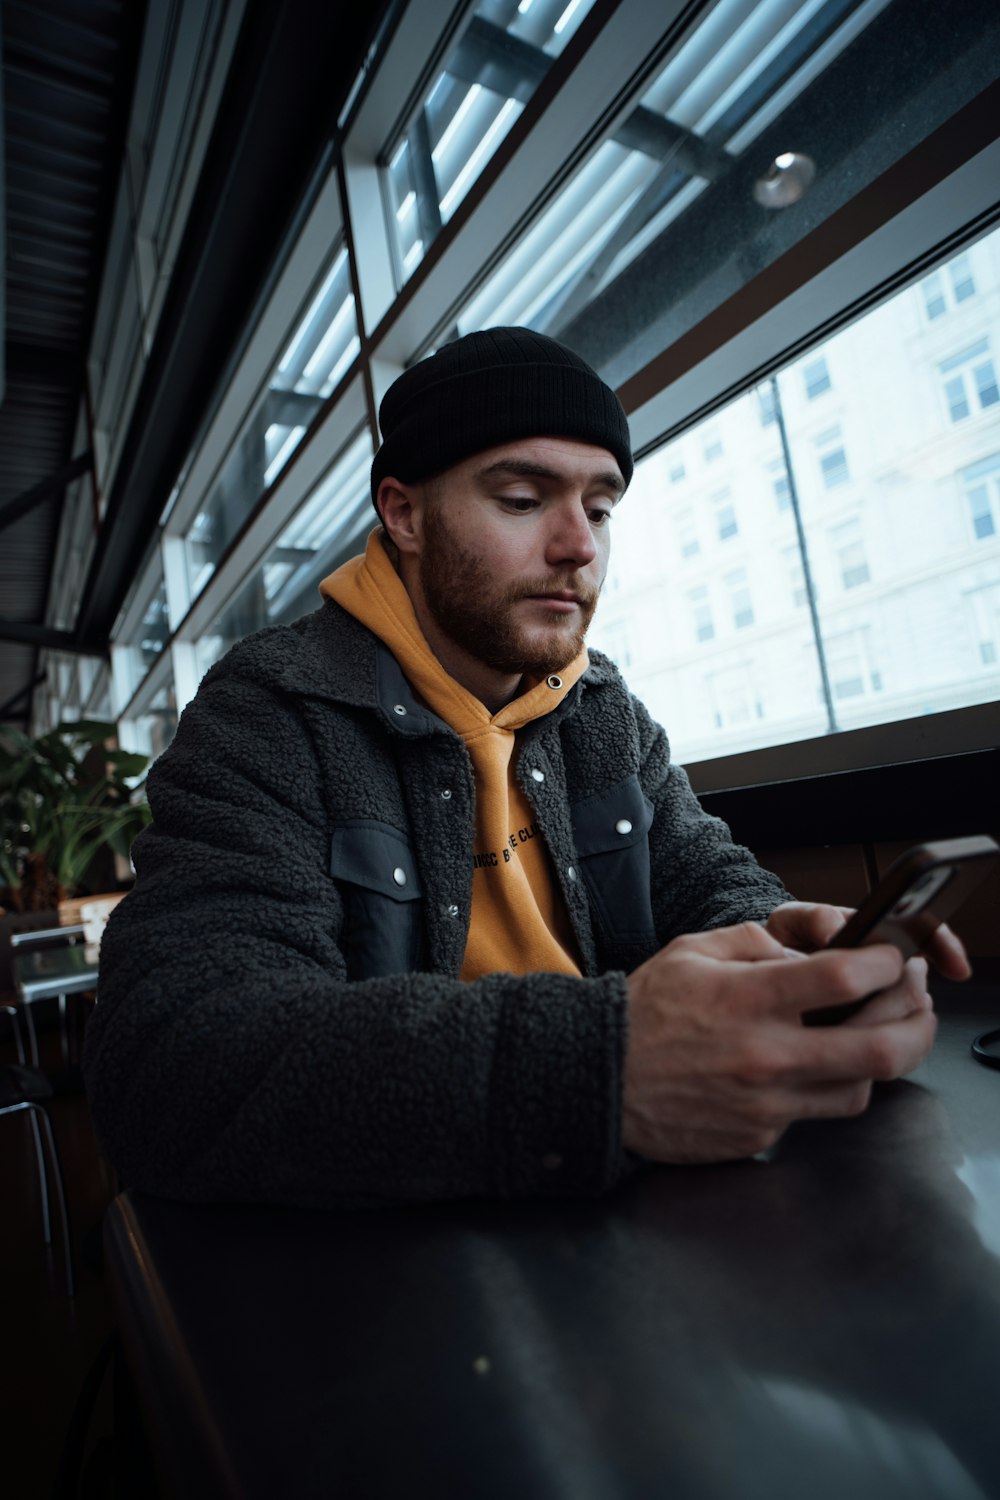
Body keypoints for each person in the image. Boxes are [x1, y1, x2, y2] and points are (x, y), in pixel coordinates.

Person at [84, 327, 968, 1208]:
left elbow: (705, 877)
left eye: (600, 507)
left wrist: (786, 951)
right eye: (520, 498)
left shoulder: (599, 708)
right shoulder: (270, 713)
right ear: (404, 514)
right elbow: (175, 1055)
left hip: (621, 1224)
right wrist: (606, 1070)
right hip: (399, 1271)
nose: (578, 545)